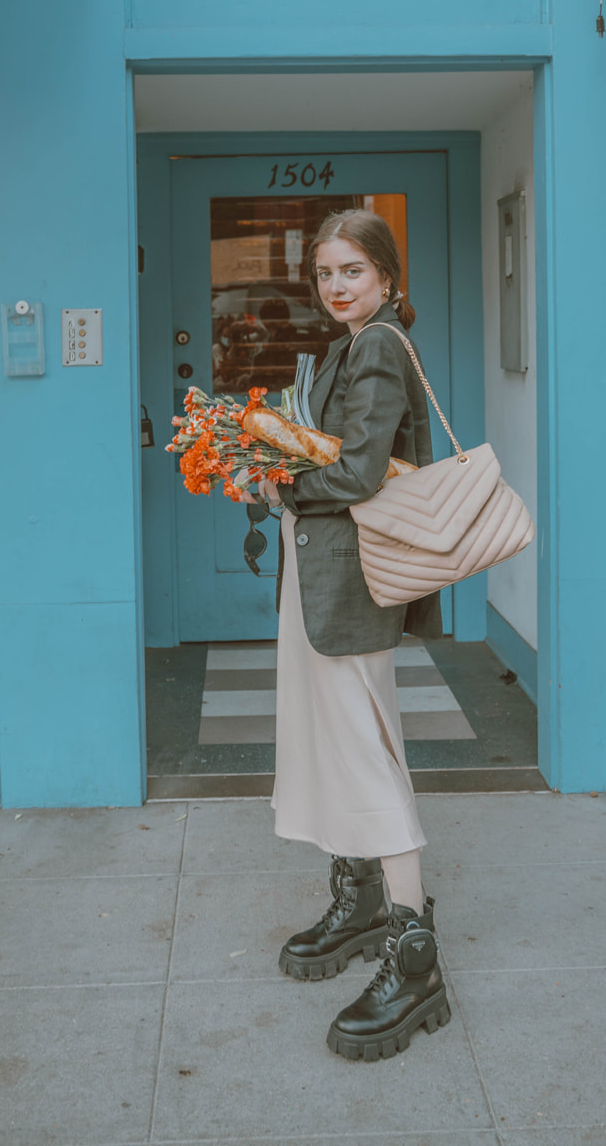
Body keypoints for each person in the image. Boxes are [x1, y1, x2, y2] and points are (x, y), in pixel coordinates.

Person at [244, 209, 450, 1061]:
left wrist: (278, 488)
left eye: (352, 271)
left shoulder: (375, 346)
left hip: (349, 586)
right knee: (341, 747)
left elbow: (360, 469)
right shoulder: (349, 343)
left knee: (365, 756)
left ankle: (414, 962)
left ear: (386, 276)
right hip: (325, 580)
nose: (336, 286)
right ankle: (361, 902)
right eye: (325, 272)